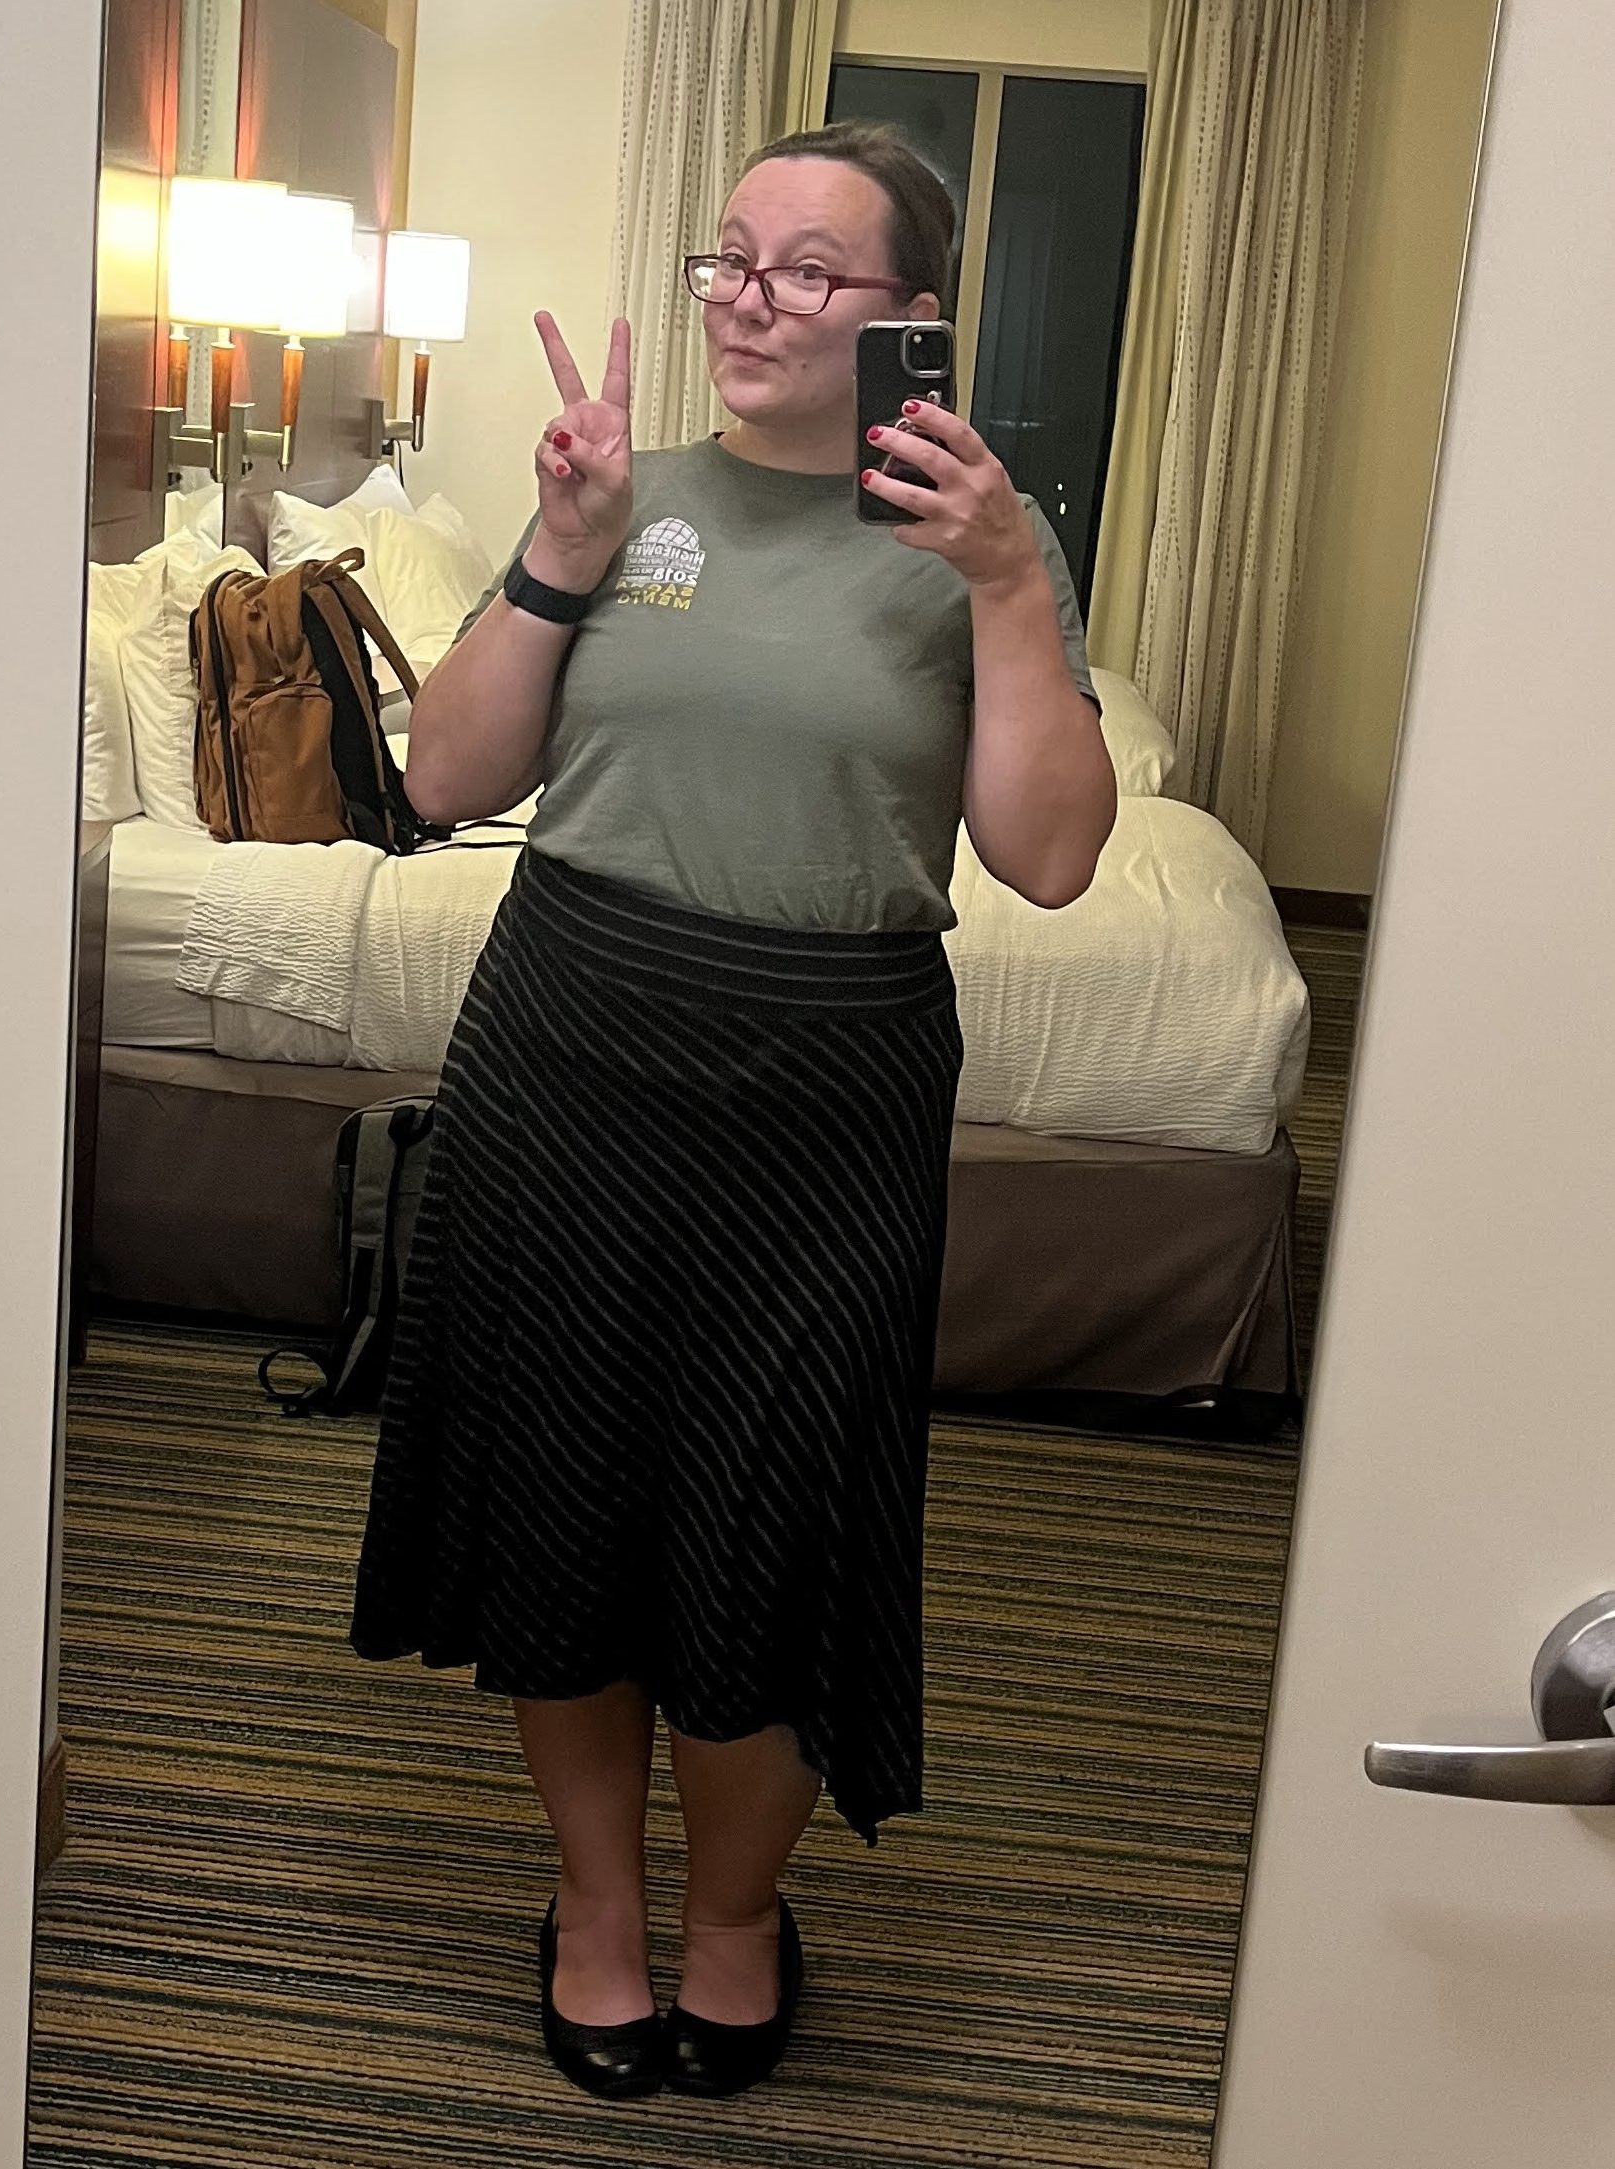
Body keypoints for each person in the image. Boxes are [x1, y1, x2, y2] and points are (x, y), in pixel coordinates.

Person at [349, 118, 1117, 2103]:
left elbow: (1044, 856)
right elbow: (436, 777)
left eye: (804, 269)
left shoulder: (966, 540)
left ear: (910, 320)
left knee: (766, 1532)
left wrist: (1017, 587)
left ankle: (733, 1914)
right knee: (566, 1509)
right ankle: (598, 1904)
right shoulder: (631, 493)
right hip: (568, 1055)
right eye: (729, 257)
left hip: (827, 1089)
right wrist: (560, 555)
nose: (747, 299)